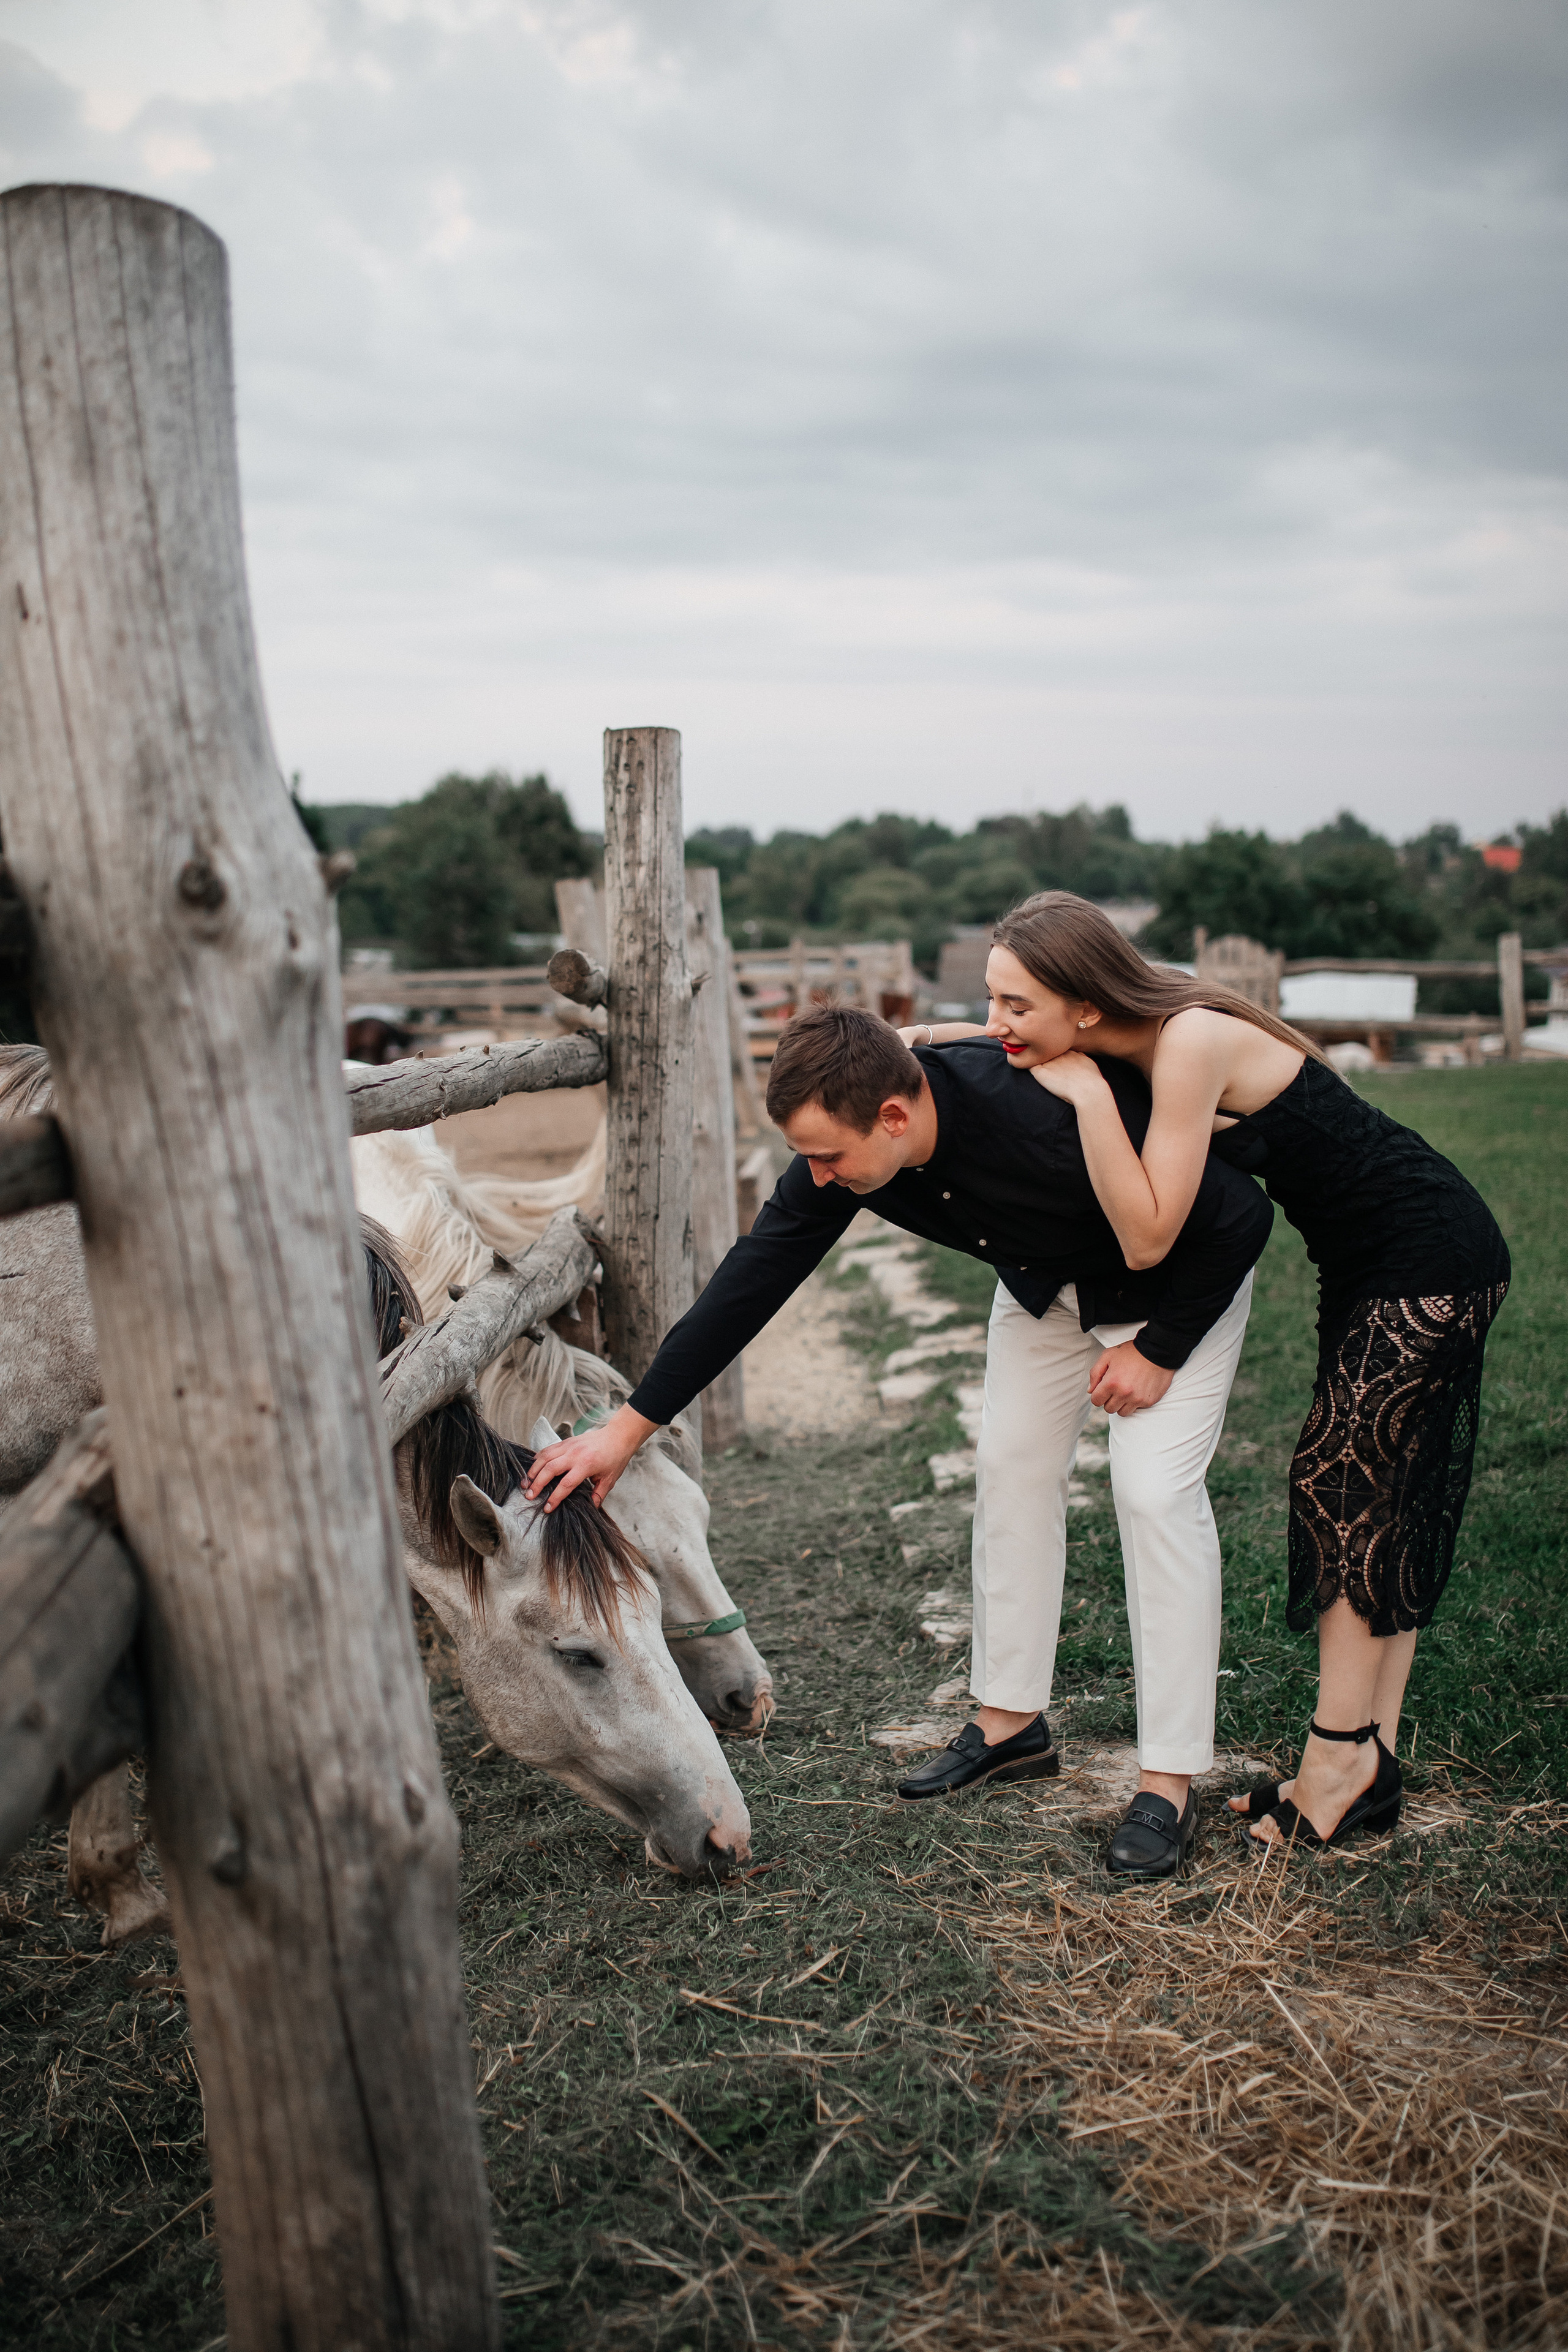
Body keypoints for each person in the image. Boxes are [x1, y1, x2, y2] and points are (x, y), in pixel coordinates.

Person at [527, 1004, 1273, 1880]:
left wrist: (1159, 1349)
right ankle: (1010, 1728)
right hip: (1047, 1288)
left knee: (1152, 1497)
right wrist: (625, 1430)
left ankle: (1168, 1782)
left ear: (894, 1116)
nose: (817, 1176)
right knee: (1008, 1472)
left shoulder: (1034, 1114)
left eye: (828, 1156)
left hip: (1180, 1284)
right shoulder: (850, 1148)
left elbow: (1240, 1220)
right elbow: (753, 1278)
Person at [963, 890, 1510, 1853]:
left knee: (1344, 1486)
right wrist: (943, 1036)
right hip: (1372, 1262)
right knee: (1380, 1494)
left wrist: (1087, 1095)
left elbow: (1146, 1237)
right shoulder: (1142, 1025)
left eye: (1015, 1005)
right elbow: (1016, 1036)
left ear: (1084, 1007)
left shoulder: (1186, 1044)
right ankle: (1366, 1759)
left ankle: (1339, 1760)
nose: (999, 1023)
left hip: (1425, 1252)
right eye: (993, 1002)